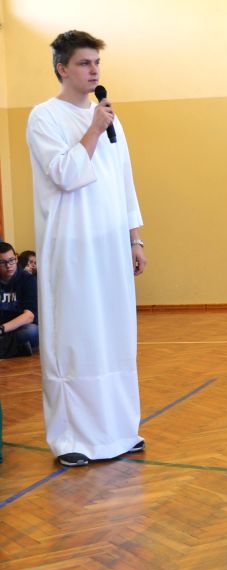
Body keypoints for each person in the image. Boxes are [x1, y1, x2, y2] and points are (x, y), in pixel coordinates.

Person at [26, 30, 148, 467]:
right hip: (71, 246)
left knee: (115, 334)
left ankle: (120, 430)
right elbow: (64, 174)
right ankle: (71, 438)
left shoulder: (112, 119)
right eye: (84, 63)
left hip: (110, 244)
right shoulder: (43, 117)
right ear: (62, 68)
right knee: (75, 338)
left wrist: (135, 238)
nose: (94, 70)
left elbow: (125, 182)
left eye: (96, 62)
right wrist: (94, 129)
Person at [0, 242, 39, 354]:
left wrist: (2, 329)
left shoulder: (28, 280)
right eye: (3, 262)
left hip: (18, 328)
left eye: (11, 260)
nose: (8, 266)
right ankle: (18, 349)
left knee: (32, 332)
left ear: (16, 259)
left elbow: (29, 316)